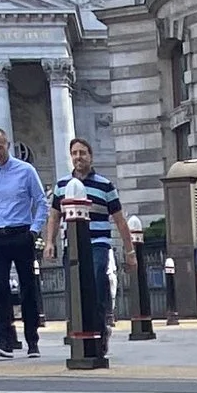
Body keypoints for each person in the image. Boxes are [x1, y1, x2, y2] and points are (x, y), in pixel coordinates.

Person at [0, 124, 50, 357]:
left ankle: (32, 340)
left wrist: (35, 231)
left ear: (7, 145)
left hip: (21, 233)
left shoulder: (25, 170)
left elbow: (41, 202)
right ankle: (3, 340)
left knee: (28, 287)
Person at [61, 134, 121, 339]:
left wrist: (130, 251)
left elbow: (120, 219)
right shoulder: (63, 185)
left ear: (91, 157)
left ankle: (99, 330)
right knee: (74, 287)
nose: (78, 157)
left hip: (98, 243)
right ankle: (78, 330)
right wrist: (49, 242)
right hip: (73, 244)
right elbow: (53, 216)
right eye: (74, 153)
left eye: (82, 153)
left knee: (96, 282)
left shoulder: (105, 185)